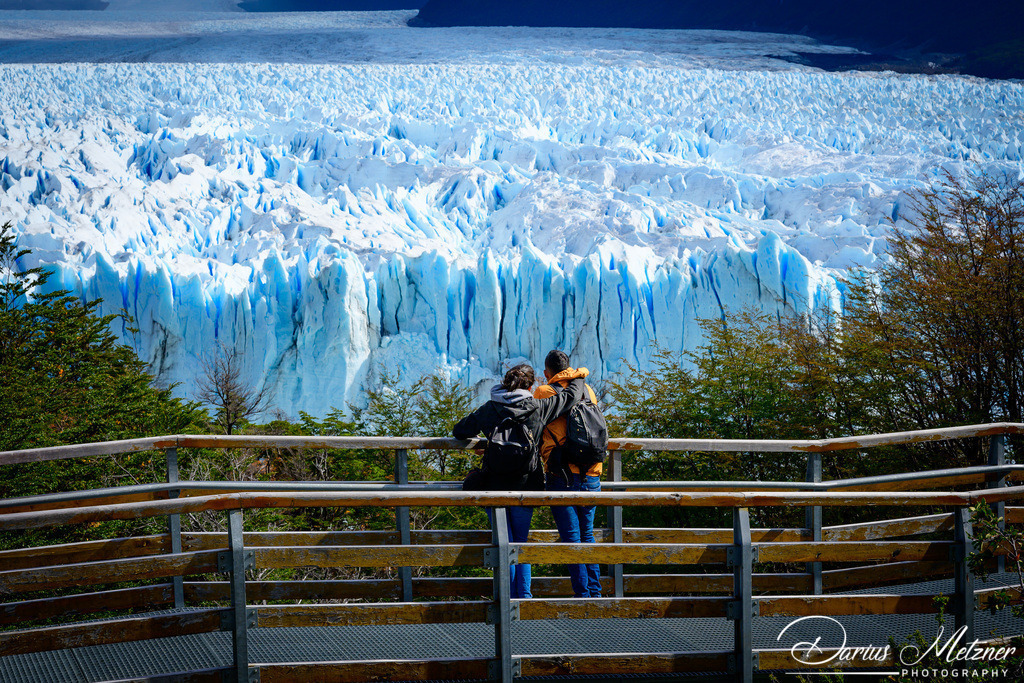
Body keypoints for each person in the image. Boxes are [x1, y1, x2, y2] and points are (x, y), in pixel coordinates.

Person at [453, 363, 586, 599]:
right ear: (532, 384)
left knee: (503, 543)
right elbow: (570, 397)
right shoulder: (537, 407)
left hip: (493, 486)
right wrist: (577, 375)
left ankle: (505, 600)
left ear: (504, 382)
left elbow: (460, 430)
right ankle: (522, 598)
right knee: (520, 544)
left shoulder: (490, 408)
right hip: (527, 486)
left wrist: (484, 443)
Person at [534, 349, 602, 598]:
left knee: (572, 537)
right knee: (588, 535)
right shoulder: (588, 389)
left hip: (561, 475)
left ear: (546, 373)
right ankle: (595, 594)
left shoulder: (543, 392)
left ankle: (582, 596)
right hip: (592, 473)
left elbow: (536, 425)